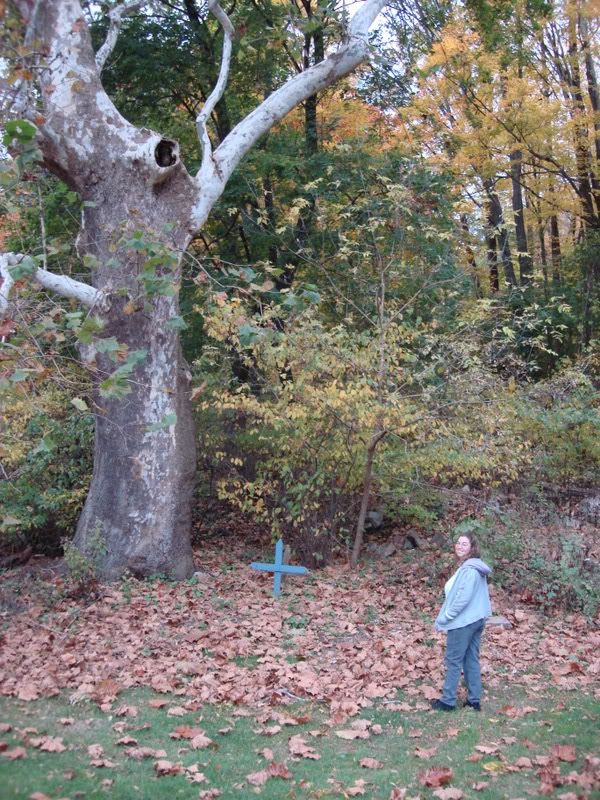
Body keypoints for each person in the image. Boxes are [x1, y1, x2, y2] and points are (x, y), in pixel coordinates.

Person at [431, 533, 492, 712]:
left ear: (472, 547)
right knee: (470, 659)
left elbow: (462, 599)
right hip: (476, 619)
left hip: (464, 622)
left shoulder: (471, 570)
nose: (459, 546)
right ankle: (474, 701)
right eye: (458, 543)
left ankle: (448, 701)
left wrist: (446, 617)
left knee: (453, 660)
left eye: (464, 544)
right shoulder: (473, 566)